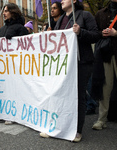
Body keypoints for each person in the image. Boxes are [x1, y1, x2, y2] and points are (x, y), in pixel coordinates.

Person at [39, 0, 100, 142]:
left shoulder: (85, 15)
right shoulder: (60, 19)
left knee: (79, 95)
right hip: (65, 64)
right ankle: (57, 127)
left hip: (82, 62)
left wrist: (81, 32)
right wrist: (50, 35)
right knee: (60, 94)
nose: (61, 0)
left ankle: (76, 130)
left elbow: (96, 35)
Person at [0, 3, 28, 125]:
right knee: (3, 89)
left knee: (13, 90)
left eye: (6, 11)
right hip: (2, 66)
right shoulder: (2, 29)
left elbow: (27, 48)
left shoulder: (21, 28)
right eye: (3, 11)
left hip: (15, 66)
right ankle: (1, 113)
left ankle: (13, 114)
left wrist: (15, 41)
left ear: (13, 12)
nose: (3, 13)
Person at [92, 0, 117, 130]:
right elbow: (95, 32)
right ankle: (102, 120)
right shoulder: (101, 13)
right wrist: (102, 33)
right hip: (106, 54)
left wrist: (115, 33)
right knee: (106, 87)